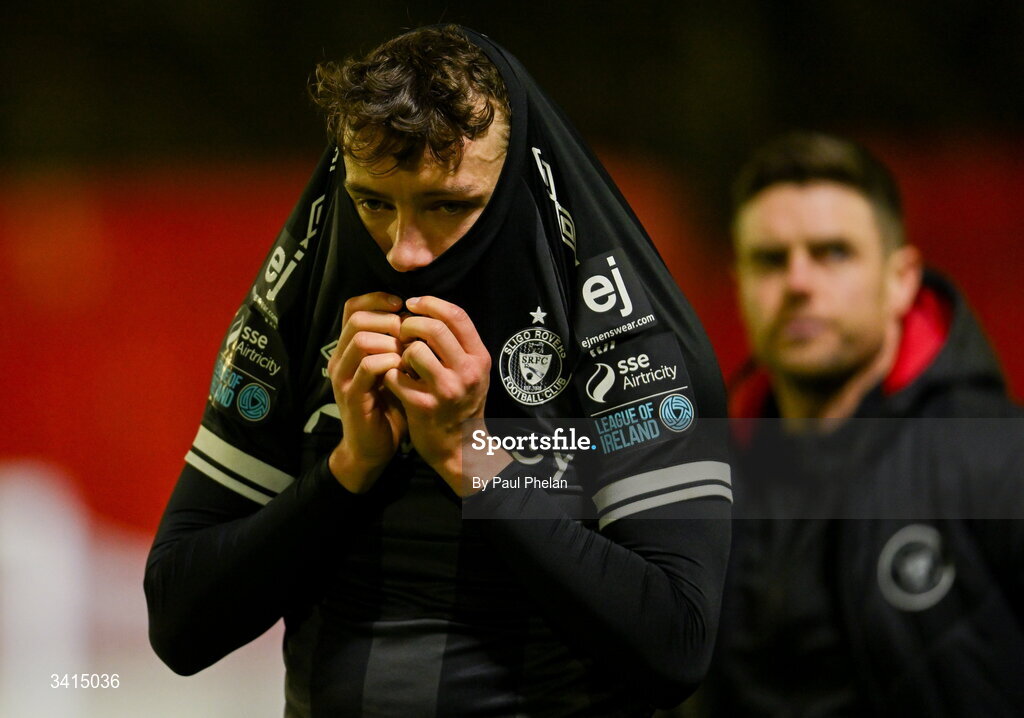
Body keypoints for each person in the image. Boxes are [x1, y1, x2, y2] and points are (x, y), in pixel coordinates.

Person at [145, 25, 732, 717]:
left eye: (448, 206)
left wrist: (471, 461)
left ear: (512, 183)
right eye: (373, 203)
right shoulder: (297, 311)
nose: (404, 252)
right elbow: (181, 626)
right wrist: (347, 472)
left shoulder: (623, 334)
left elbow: (676, 644)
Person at [700, 132, 1024, 716]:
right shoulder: (712, 478)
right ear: (740, 283)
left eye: (833, 253)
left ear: (901, 280)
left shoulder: (998, 455)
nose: (798, 283)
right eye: (770, 260)